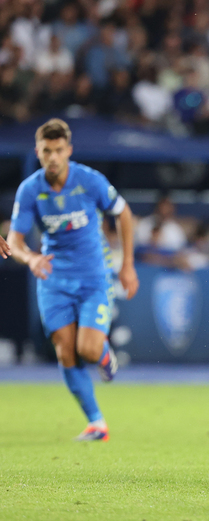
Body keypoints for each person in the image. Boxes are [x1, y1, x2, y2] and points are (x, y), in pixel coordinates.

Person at [7, 119, 138, 442]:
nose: (53, 157)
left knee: (88, 349)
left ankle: (105, 357)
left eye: (59, 150)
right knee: (65, 350)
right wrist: (32, 258)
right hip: (54, 278)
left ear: (69, 151)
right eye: (47, 151)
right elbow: (15, 241)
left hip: (93, 274)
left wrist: (128, 266)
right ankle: (97, 423)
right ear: (38, 152)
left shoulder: (89, 181)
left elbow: (122, 213)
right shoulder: (30, 190)